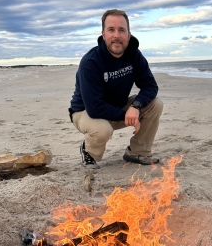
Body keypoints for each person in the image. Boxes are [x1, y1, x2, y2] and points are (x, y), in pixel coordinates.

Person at [69, 9, 163, 169]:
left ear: (128, 34)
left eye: (121, 30)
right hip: (85, 112)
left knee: (155, 104)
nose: (117, 35)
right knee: (102, 129)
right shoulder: (90, 62)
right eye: (111, 30)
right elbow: (94, 108)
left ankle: (137, 152)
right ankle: (89, 152)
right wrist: (127, 114)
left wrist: (136, 106)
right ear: (103, 34)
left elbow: (150, 86)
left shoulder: (134, 55)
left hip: (116, 107)